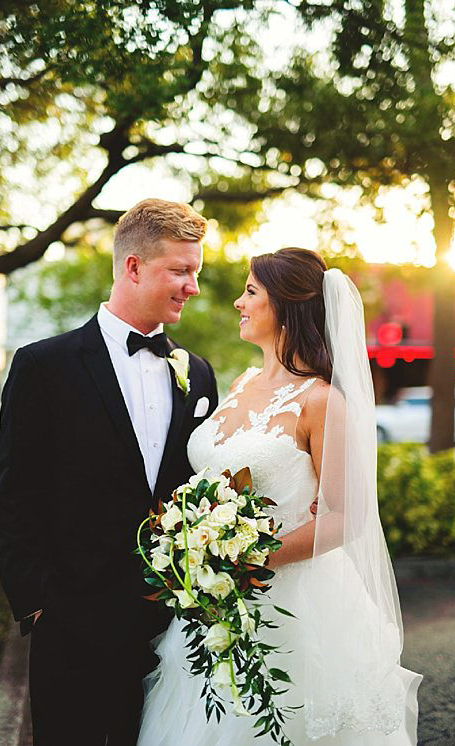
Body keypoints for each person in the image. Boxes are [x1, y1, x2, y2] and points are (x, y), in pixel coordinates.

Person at [138, 247, 421, 745]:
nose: (236, 303)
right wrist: (193, 548)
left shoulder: (321, 401)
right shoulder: (241, 382)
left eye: (250, 292)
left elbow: (347, 518)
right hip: (213, 610)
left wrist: (249, 561)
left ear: (287, 306)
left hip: (294, 610)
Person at [0, 199, 218, 745]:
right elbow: (13, 495)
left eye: (197, 273)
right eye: (181, 271)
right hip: (71, 628)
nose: (193, 286)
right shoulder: (44, 366)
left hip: (172, 636)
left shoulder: (199, 372)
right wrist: (40, 605)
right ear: (133, 267)